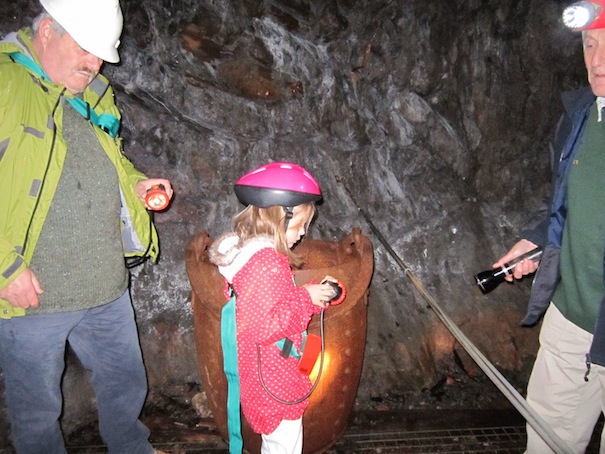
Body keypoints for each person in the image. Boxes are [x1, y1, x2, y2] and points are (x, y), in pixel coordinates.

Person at [0, 0, 173, 452]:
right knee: (36, 409)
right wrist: (4, 269)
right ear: (47, 32)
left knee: (124, 383)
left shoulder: (93, 93)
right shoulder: (4, 82)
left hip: (105, 284)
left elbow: (109, 162)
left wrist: (136, 185)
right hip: (34, 291)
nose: (95, 64)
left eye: (101, 54)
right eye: (86, 50)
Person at [493, 1, 605, 451]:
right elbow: (568, 206)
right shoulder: (579, 116)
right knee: (544, 445)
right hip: (569, 324)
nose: (597, 61)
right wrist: (537, 241)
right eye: (590, 45)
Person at [208, 162, 340, 454]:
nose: (304, 232)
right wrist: (307, 296)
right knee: (284, 447)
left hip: (270, 372)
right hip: (273, 380)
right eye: (301, 224)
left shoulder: (256, 258)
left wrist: (316, 296)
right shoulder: (265, 263)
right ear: (280, 217)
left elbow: (274, 304)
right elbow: (263, 326)